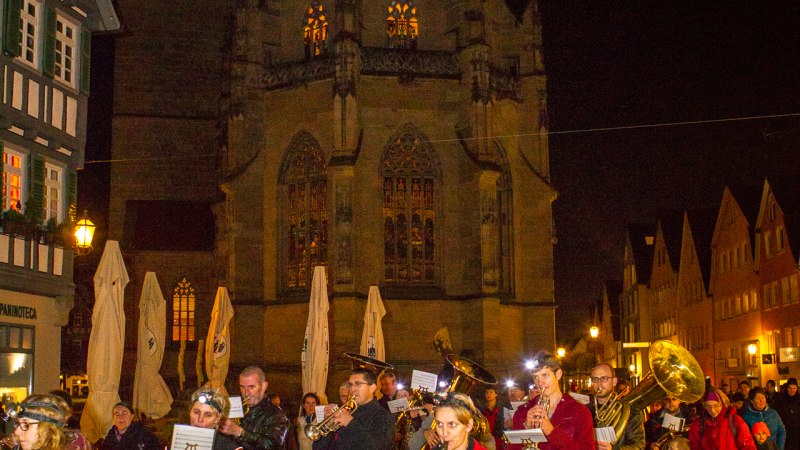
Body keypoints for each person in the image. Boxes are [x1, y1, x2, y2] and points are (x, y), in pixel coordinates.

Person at [509, 352, 595, 450]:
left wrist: (552, 432)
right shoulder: (522, 412)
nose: (540, 382)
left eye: (545, 375)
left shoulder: (580, 412)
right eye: (535, 377)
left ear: (558, 374)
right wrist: (525, 430)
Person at [312, 367, 394, 449]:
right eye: (350, 385)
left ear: (372, 388)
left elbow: (377, 447)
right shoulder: (348, 412)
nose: (352, 389)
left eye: (358, 384)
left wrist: (350, 423)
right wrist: (327, 426)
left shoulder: (384, 417)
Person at [218, 366, 290, 450]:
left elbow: (270, 446)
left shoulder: (277, 415)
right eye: (242, 387)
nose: (246, 393)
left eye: (251, 387)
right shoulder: (235, 406)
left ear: (264, 386)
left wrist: (239, 432)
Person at [588, 363, 644, 450]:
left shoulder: (631, 411)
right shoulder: (584, 410)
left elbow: (639, 446)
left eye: (604, 378)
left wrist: (614, 449)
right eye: (595, 379)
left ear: (614, 381)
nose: (599, 383)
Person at [687, 388, 755, 450]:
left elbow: (748, 445)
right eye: (708, 406)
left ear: (723, 403)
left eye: (716, 405)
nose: (712, 410)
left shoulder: (735, 421)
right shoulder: (698, 424)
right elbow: (694, 446)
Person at [773, 378, 799, 450]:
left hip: (797, 431)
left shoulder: (799, 400)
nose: (792, 390)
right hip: (785, 430)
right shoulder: (781, 400)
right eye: (790, 388)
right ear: (787, 388)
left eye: (794, 388)